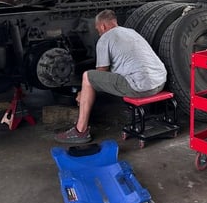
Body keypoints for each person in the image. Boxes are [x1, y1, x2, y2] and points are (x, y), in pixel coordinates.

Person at [54, 9, 167, 144]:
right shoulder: (131, 32)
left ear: (102, 26)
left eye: (98, 29)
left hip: (139, 87)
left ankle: (80, 131)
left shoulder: (105, 38)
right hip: (160, 82)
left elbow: (100, 73)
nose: (99, 32)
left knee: (87, 76)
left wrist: (82, 92)